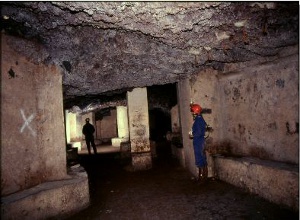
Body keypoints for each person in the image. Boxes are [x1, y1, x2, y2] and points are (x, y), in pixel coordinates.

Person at [190, 103, 208, 183]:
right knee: (202, 157)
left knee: (199, 158)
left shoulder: (198, 120)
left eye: (193, 111)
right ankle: (204, 176)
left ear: (196, 111)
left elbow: (199, 132)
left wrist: (192, 134)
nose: (192, 113)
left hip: (198, 141)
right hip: (200, 141)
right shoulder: (200, 119)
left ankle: (201, 177)